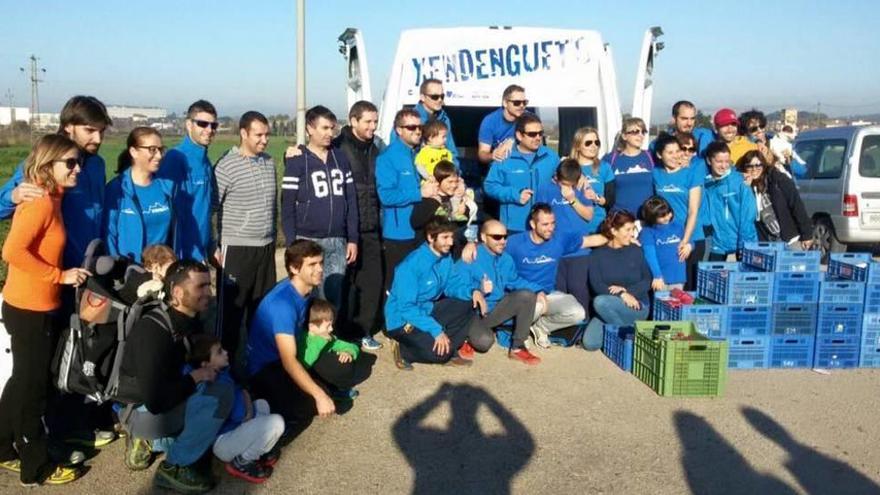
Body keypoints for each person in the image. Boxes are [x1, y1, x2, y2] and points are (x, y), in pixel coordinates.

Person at [0, 134, 90, 486]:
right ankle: (34, 466)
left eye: (78, 162)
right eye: (70, 162)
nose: (77, 168)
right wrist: (59, 275)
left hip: (37, 305)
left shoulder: (53, 196)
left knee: (23, 381)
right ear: (48, 164)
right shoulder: (40, 201)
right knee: (33, 388)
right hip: (28, 308)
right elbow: (12, 252)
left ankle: (2, 447)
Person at [119, 260, 231, 494]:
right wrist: (197, 377)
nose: (208, 293)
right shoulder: (154, 331)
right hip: (143, 411)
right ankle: (172, 467)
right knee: (220, 397)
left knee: (220, 385)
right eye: (200, 287)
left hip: (163, 399)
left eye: (208, 286)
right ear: (177, 292)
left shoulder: (188, 320)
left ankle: (159, 442)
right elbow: (156, 401)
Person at [247, 240, 372, 437]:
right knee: (311, 404)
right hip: (267, 367)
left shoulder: (306, 288)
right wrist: (319, 395)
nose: (320, 269)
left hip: (295, 351)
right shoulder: (282, 305)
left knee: (343, 368)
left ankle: (317, 387)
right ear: (294, 268)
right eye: (312, 265)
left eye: (321, 263)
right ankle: (264, 405)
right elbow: (288, 361)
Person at [0, 95, 112, 269]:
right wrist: (12, 197)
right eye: (89, 131)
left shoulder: (98, 164)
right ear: (68, 126)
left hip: (90, 265)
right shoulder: (46, 162)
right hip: (55, 269)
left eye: (102, 131)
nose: (98, 139)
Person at [214, 111, 278, 377]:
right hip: (237, 249)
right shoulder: (226, 166)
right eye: (259, 135)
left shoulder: (269, 162)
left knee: (261, 312)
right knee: (231, 316)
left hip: (266, 247)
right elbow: (212, 208)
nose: (264, 140)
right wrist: (213, 245)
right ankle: (223, 374)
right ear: (243, 133)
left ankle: (257, 369)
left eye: (267, 135)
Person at [282, 105, 359, 309]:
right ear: (310, 129)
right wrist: (292, 243)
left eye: (332, 128)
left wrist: (352, 238)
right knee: (309, 295)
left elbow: (351, 199)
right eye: (324, 128)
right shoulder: (297, 160)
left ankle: (331, 336)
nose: (329, 133)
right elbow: (287, 205)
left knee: (334, 295)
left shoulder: (340, 158)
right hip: (308, 238)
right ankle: (306, 337)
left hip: (338, 239)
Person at [184, 335, 283, 484]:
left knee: (263, 404)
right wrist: (248, 409)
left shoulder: (221, 373)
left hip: (235, 427)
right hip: (224, 442)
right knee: (277, 423)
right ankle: (242, 461)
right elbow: (240, 413)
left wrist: (248, 406)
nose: (226, 352)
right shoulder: (213, 387)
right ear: (206, 364)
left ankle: (255, 449)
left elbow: (242, 391)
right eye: (219, 352)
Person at [505, 204, 607, 348]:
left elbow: (590, 240)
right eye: (545, 224)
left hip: (548, 294)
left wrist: (620, 237)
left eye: (553, 223)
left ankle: (540, 328)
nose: (550, 228)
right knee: (536, 306)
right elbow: (495, 258)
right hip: (521, 296)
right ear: (533, 224)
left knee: (578, 313)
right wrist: (471, 245)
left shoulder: (558, 239)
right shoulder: (515, 243)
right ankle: (520, 333)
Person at [384, 219, 481, 370]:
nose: (450, 242)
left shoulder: (446, 257)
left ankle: (447, 347)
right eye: (445, 237)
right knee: (440, 356)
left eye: (451, 237)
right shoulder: (410, 266)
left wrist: (472, 291)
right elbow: (406, 308)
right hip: (403, 320)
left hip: (427, 310)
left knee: (470, 301)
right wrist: (436, 330)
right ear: (430, 237)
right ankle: (404, 350)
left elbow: (452, 284)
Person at [446, 220, 544, 365]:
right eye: (497, 237)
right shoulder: (471, 256)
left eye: (505, 237)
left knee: (527, 295)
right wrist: (478, 291)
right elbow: (453, 288)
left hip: (497, 309)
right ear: (484, 237)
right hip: (474, 313)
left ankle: (517, 348)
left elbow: (514, 281)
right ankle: (466, 338)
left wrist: (540, 290)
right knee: (484, 342)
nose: (503, 241)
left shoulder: (507, 259)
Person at [332, 101, 384, 350]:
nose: (373, 127)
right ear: (353, 121)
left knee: (371, 282)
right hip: (345, 229)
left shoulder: (377, 149)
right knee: (344, 284)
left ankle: (364, 330)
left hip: (372, 227)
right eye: (368, 122)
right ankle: (342, 333)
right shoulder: (337, 147)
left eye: (375, 122)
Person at [377, 109, 437, 289]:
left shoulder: (418, 155)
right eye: (411, 127)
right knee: (397, 287)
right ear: (398, 130)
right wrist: (419, 193)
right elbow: (386, 196)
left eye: (420, 127)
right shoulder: (388, 157)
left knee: (417, 286)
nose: (418, 131)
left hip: (419, 231)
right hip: (398, 235)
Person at [157, 100, 219, 263]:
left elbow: (205, 209)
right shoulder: (176, 158)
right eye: (203, 124)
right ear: (189, 125)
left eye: (213, 125)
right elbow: (166, 208)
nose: (209, 130)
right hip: (183, 253)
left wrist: (210, 244)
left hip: (201, 251)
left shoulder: (205, 161)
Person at [582, 210, 653, 350]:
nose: (632, 234)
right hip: (610, 307)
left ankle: (628, 337)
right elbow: (596, 285)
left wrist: (628, 292)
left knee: (600, 301)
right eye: (628, 229)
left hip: (637, 306)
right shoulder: (596, 255)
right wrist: (621, 295)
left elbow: (647, 279)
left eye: (633, 229)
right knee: (590, 344)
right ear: (614, 231)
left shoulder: (636, 250)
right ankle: (629, 330)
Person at [104, 127, 175, 263]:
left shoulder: (167, 188)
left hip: (161, 271)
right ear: (133, 152)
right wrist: (116, 268)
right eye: (152, 150)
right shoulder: (116, 189)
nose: (159, 156)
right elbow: (109, 234)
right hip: (127, 271)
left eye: (161, 149)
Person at [536, 159, 596, 312]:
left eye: (570, 184)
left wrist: (572, 199)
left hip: (579, 250)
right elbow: (539, 215)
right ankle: (562, 331)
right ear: (556, 177)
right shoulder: (546, 189)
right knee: (559, 292)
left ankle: (582, 328)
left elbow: (589, 215)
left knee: (578, 289)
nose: (565, 187)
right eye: (562, 183)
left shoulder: (582, 188)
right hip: (555, 249)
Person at [484, 113, 559, 232]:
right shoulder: (504, 156)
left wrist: (580, 177)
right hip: (514, 227)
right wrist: (515, 195)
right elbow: (490, 186)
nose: (538, 138)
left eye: (540, 133)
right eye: (532, 134)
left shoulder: (551, 157)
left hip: (545, 227)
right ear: (519, 135)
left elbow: (565, 179)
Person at [651, 133, 703, 289]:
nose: (675, 156)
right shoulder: (656, 174)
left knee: (689, 286)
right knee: (671, 287)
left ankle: (691, 314)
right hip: (668, 238)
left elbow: (693, 211)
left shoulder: (691, 173)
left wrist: (685, 241)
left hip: (691, 237)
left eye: (677, 151)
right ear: (660, 155)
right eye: (670, 152)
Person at [737, 150, 813, 249]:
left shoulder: (777, 179)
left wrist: (806, 234)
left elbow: (797, 205)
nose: (754, 169)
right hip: (766, 241)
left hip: (789, 238)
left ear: (763, 165)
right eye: (749, 166)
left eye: (758, 165)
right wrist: (746, 189)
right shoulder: (744, 187)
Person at [702, 142, 758, 261]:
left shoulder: (740, 182)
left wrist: (744, 245)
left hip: (741, 241)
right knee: (713, 278)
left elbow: (748, 217)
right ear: (709, 160)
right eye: (719, 161)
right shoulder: (705, 184)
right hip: (717, 244)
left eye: (727, 161)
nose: (723, 166)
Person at [410, 161, 479, 254]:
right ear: (438, 181)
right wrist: (435, 203)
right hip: (430, 251)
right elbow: (416, 222)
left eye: (456, 181)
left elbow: (469, 223)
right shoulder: (429, 200)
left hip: (453, 249)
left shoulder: (459, 199)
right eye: (449, 182)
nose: (454, 185)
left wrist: (465, 209)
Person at [299, 299, 361, 396]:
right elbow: (306, 362)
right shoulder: (304, 339)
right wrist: (321, 341)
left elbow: (352, 346)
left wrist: (348, 352)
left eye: (331, 325)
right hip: (308, 375)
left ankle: (338, 389)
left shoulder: (328, 337)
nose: (331, 329)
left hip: (322, 373)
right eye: (328, 326)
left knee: (346, 363)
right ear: (312, 327)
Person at [600, 117, 655, 216]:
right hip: (620, 220)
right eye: (635, 132)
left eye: (643, 132)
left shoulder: (651, 157)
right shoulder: (610, 159)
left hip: (647, 218)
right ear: (624, 136)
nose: (640, 135)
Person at [639, 196, 689, 291]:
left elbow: (688, 240)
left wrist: (689, 246)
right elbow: (650, 256)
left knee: (676, 304)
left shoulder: (678, 226)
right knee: (662, 304)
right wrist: (657, 275)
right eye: (662, 216)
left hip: (678, 276)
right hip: (660, 279)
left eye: (668, 213)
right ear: (651, 217)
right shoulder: (647, 232)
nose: (667, 217)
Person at [569, 126, 614, 221]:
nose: (594, 146)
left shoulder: (605, 167)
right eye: (588, 143)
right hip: (573, 223)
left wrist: (596, 197)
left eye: (596, 142)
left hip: (598, 224)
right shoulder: (567, 167)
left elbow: (610, 201)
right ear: (577, 146)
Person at [477, 84, 528, 164]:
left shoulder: (529, 119)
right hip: (499, 166)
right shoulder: (489, 121)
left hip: (523, 164)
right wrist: (493, 155)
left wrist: (514, 142)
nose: (522, 106)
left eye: (524, 102)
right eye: (517, 102)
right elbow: (482, 154)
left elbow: (537, 146)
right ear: (505, 103)